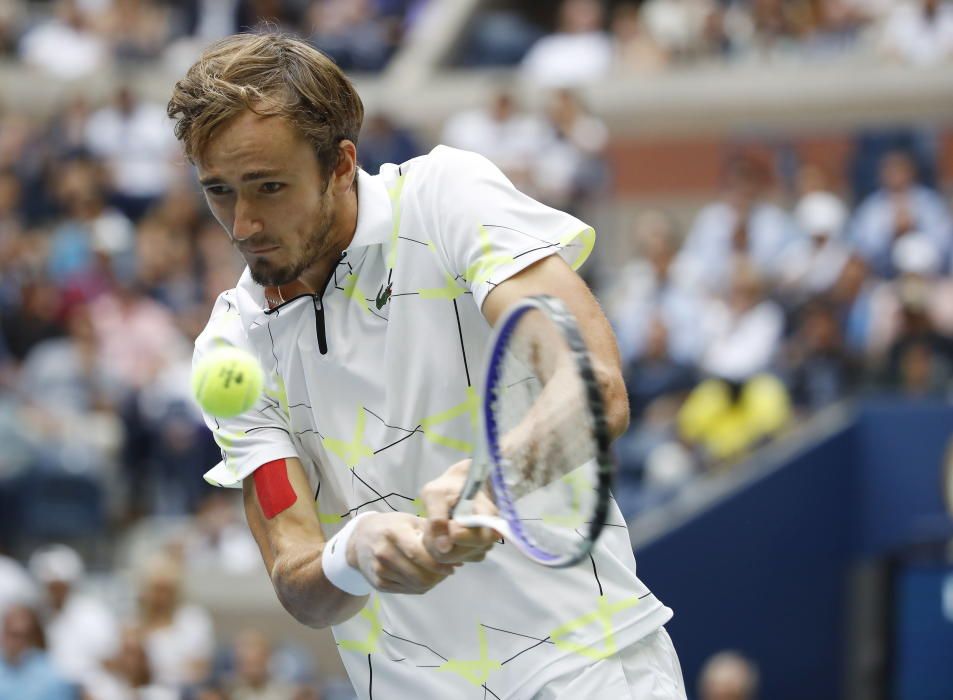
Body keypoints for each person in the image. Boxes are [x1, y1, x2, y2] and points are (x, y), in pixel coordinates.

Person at [168, 32, 685, 700]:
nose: (242, 225)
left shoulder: (446, 200)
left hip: (586, 669)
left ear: (340, 165)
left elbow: (594, 389)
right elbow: (297, 579)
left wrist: (489, 485)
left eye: (269, 187)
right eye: (218, 191)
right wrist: (352, 554)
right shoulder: (231, 348)